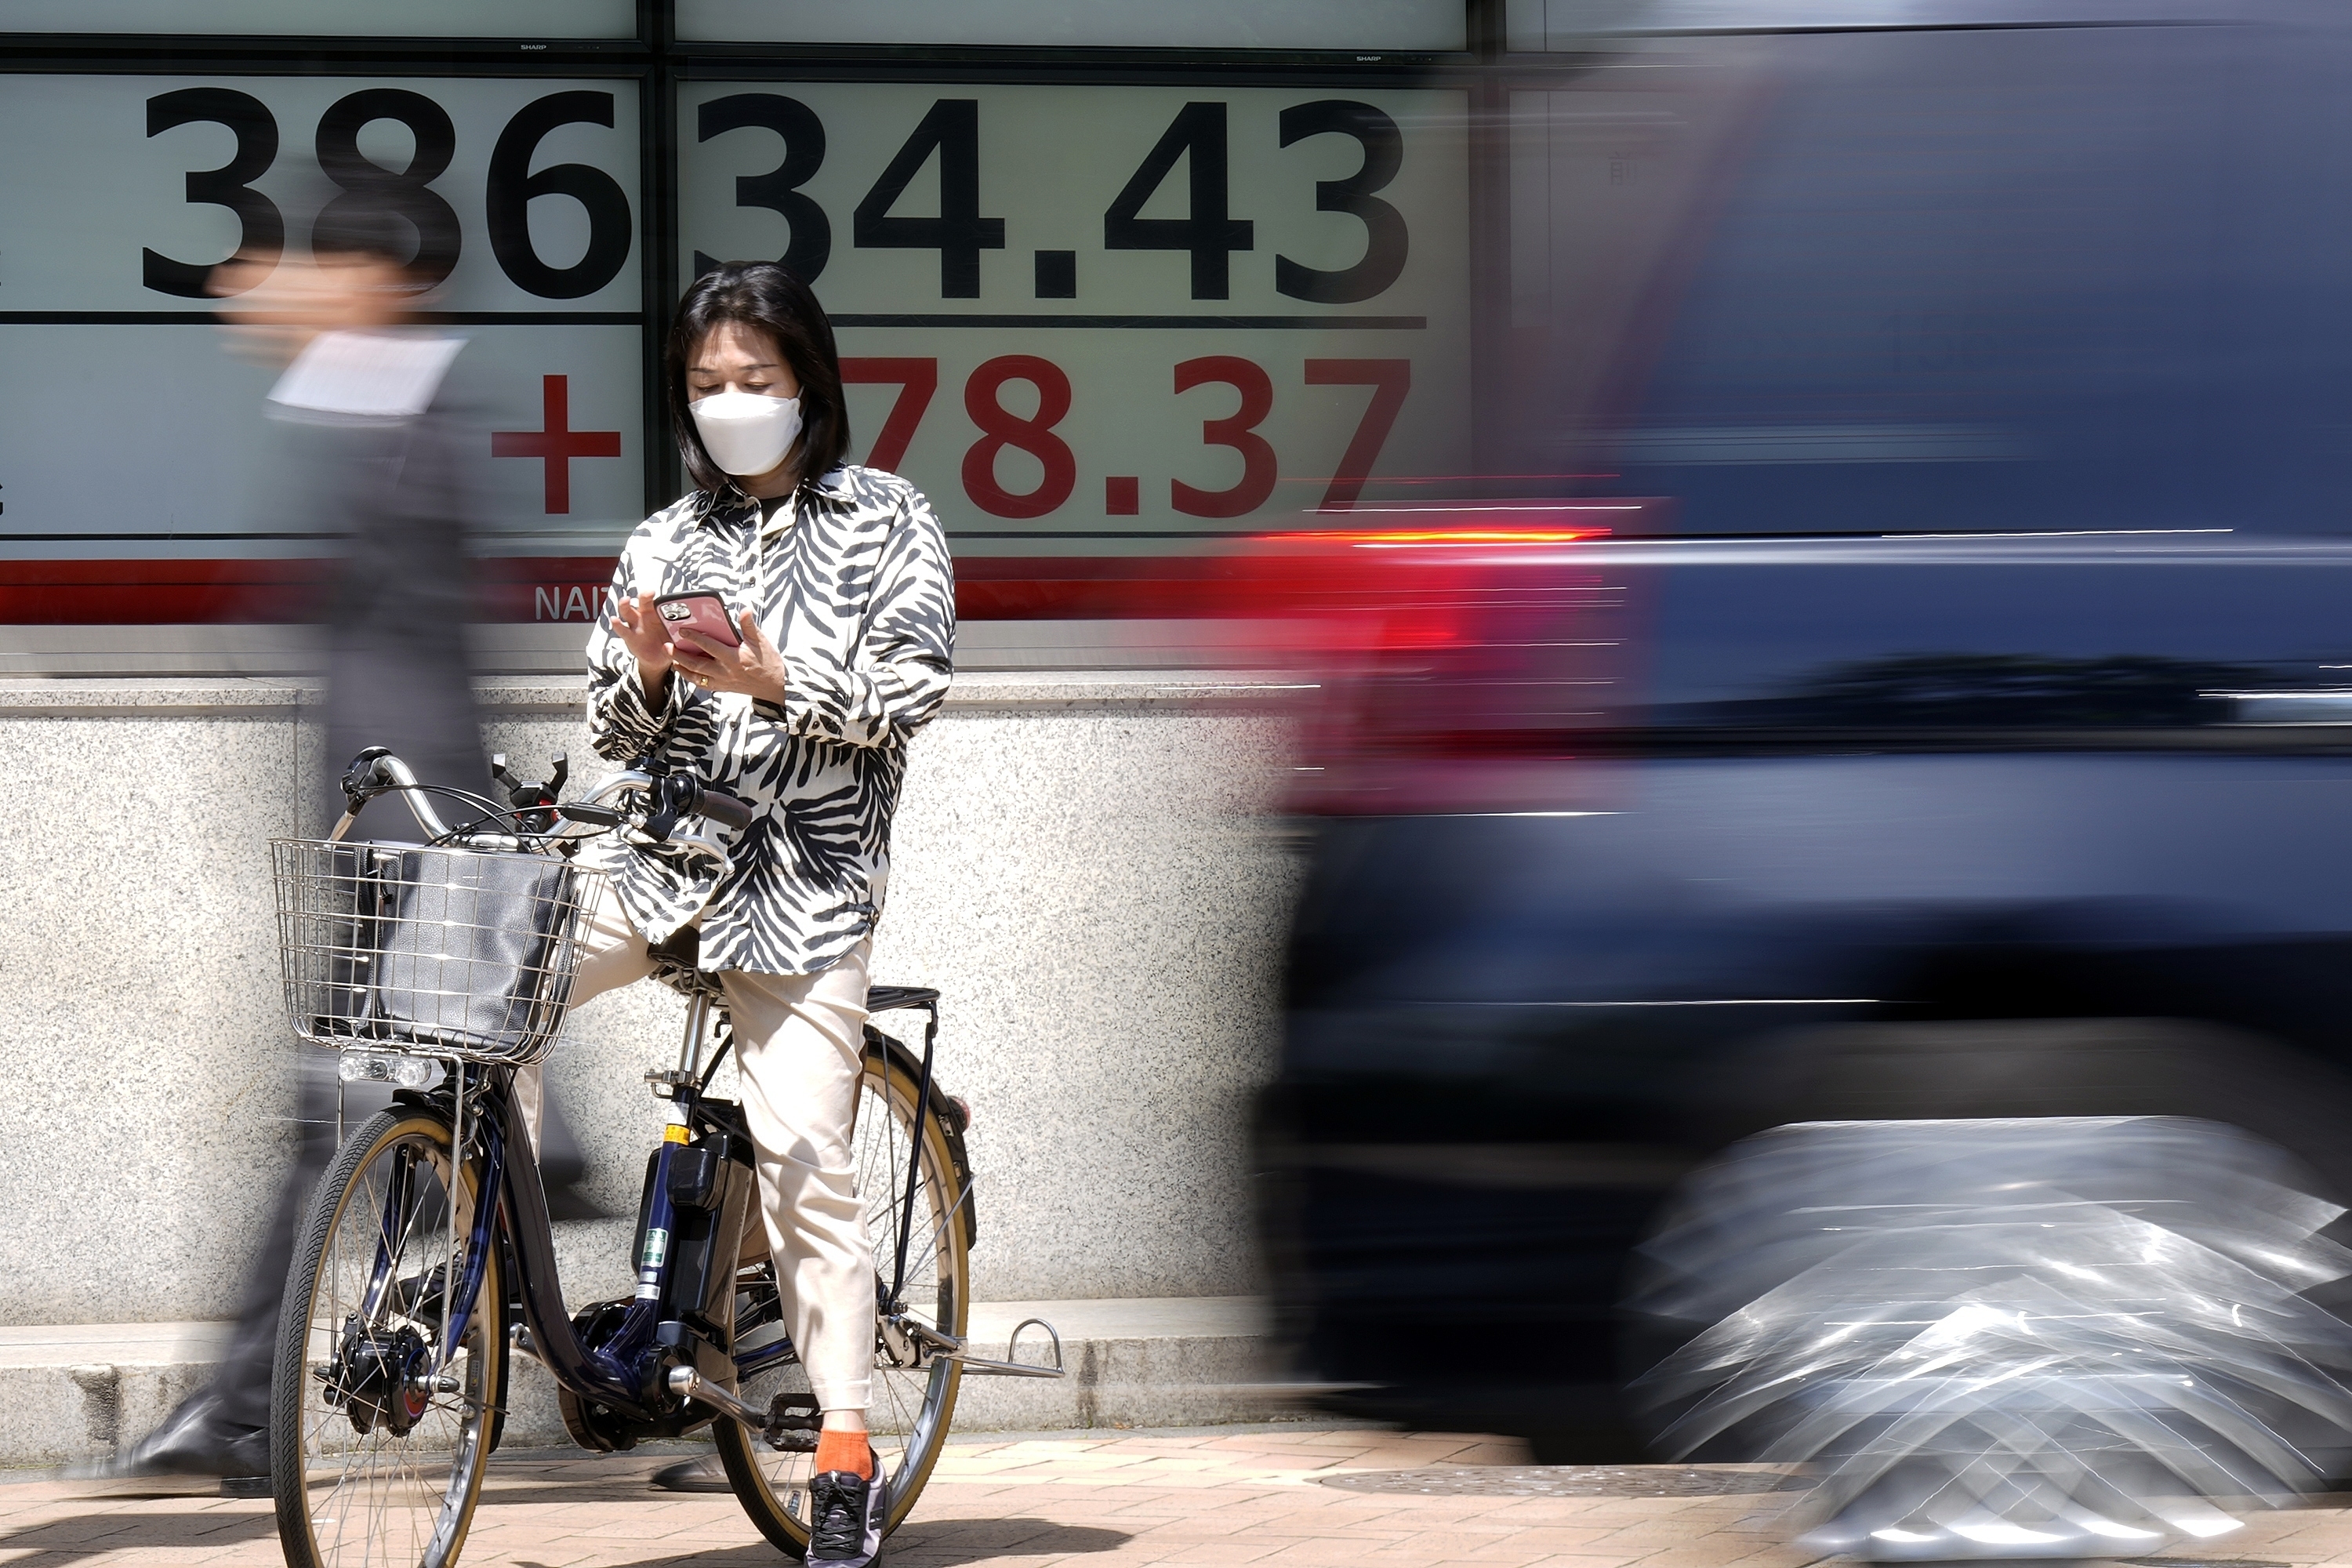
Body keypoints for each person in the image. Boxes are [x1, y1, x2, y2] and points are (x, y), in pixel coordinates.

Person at [100, 200, 600, 1488]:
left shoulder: (412, 422)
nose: (290, 291)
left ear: (378, 277)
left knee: (350, 1119)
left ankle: (251, 1402)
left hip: (411, 830)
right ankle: (257, 1394)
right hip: (377, 829)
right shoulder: (371, 410)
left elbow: (427, 658)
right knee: (344, 1118)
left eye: (320, 267)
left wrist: (426, 840)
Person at [543, 260, 954, 1568]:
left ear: (809, 386)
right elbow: (610, 723)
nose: (730, 404)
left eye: (755, 382)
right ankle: (501, 1291)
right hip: (664, 859)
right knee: (492, 989)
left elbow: (914, 686)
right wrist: (653, 676)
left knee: (802, 1156)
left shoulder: (891, 518)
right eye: (707, 385)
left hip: (805, 884)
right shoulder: (665, 538)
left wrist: (785, 679)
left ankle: (841, 1441)